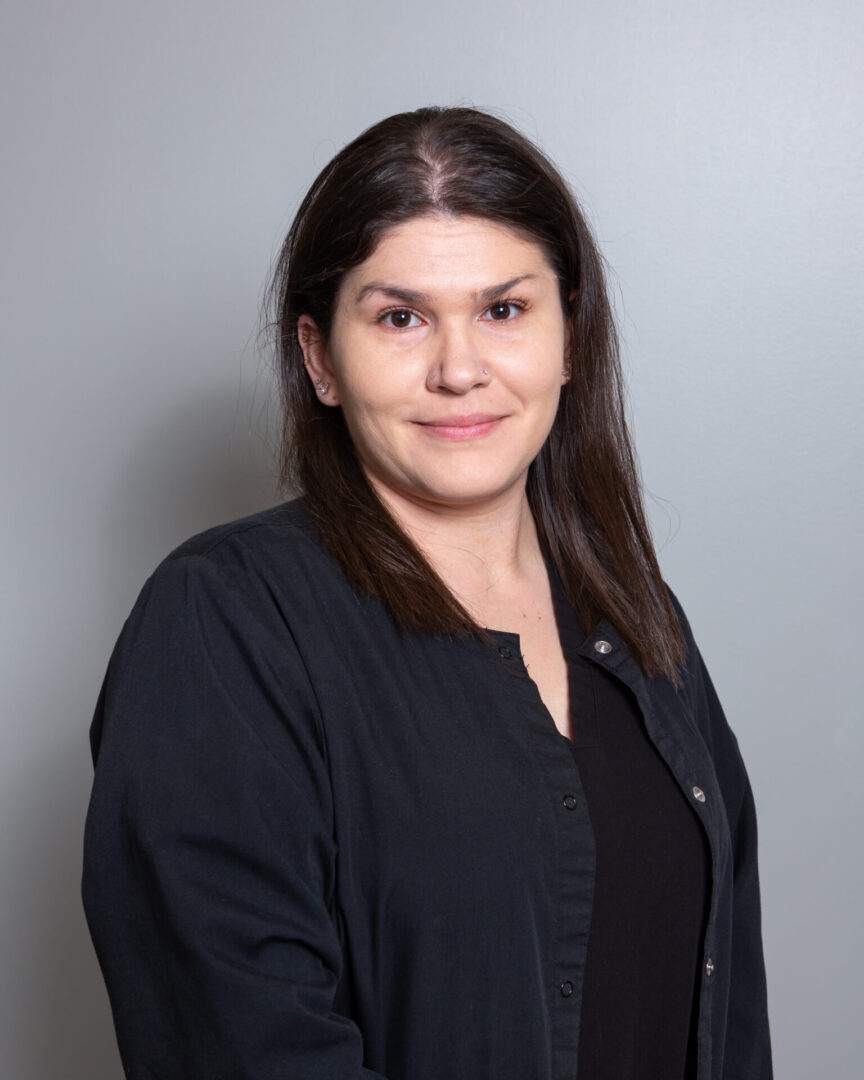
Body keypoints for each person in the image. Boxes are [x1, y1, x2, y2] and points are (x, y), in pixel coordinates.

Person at [82, 106, 772, 1080]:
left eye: (504, 310)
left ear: (569, 338)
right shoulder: (224, 624)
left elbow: (728, 1004)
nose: (459, 369)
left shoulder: (634, 607)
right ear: (320, 359)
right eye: (400, 317)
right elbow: (242, 1047)